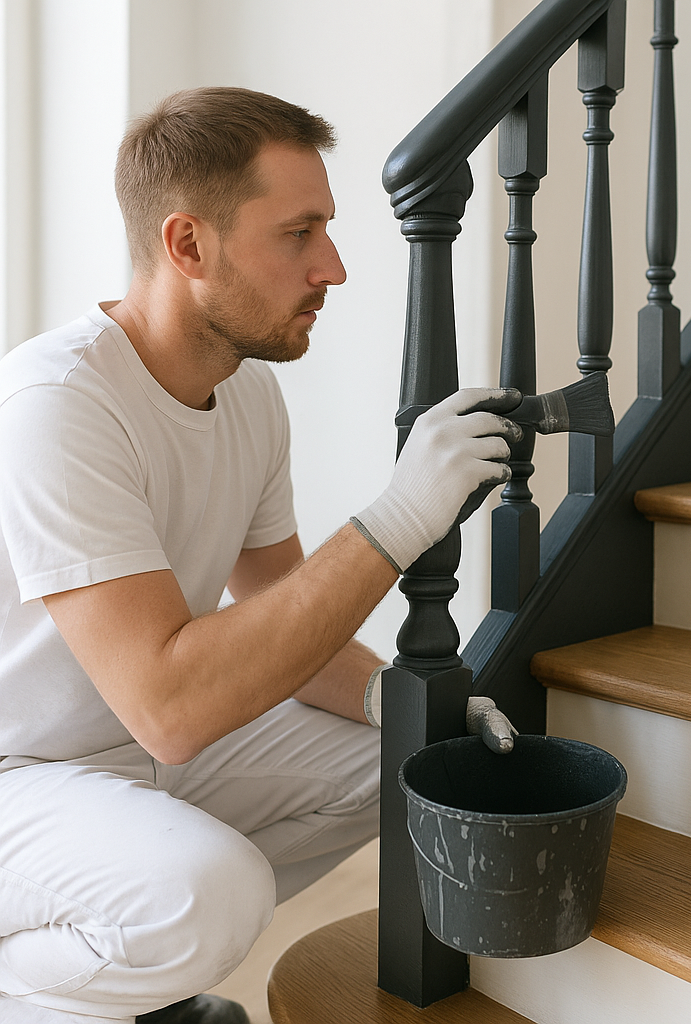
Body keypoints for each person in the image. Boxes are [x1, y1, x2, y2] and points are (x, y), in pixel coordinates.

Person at [0, 87, 522, 1024]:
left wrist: (396, 702)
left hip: (127, 753)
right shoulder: (57, 403)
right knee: (210, 895)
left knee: (408, 766)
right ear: (188, 246)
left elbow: (287, 621)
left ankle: (128, 964)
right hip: (18, 775)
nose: (334, 268)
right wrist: (400, 517)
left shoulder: (246, 396)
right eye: (299, 233)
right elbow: (171, 707)